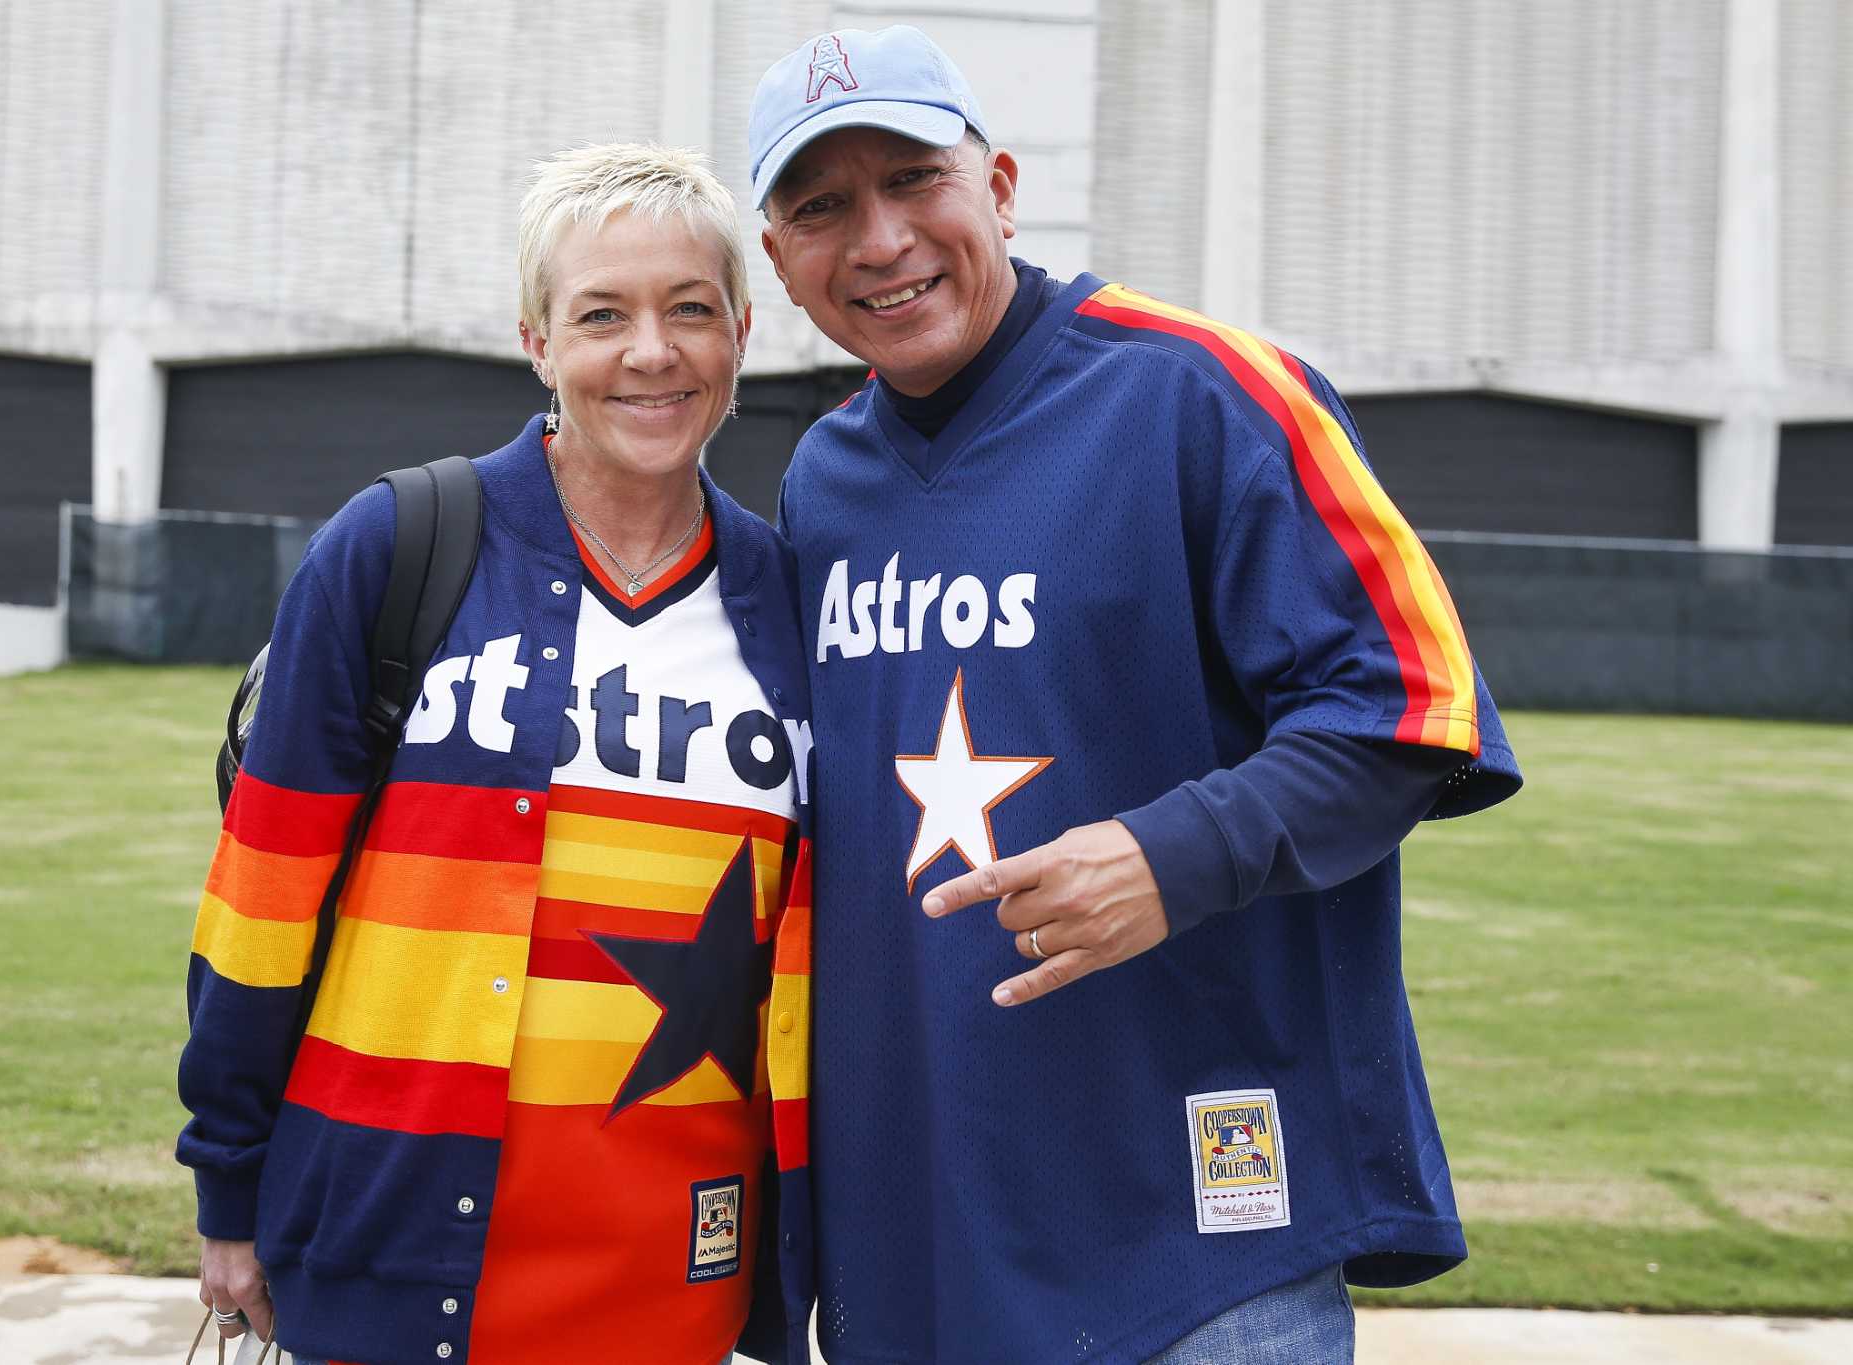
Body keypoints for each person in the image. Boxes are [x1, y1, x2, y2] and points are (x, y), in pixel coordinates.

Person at [749, 26, 1523, 1365]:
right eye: (823, 206)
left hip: (1199, 1239)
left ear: (997, 185)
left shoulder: (1205, 391)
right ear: (778, 262)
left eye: (914, 181)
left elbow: (1411, 710)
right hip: (924, 1239)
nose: (877, 240)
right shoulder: (824, 483)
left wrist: (1170, 853)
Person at [177, 144, 817, 1365]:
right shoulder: (399, 544)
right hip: (389, 1245)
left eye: (689, 310)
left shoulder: (785, 601)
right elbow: (261, 894)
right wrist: (226, 1183)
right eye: (600, 315)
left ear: (740, 333)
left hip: (672, 1274)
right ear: (535, 341)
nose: (650, 351)